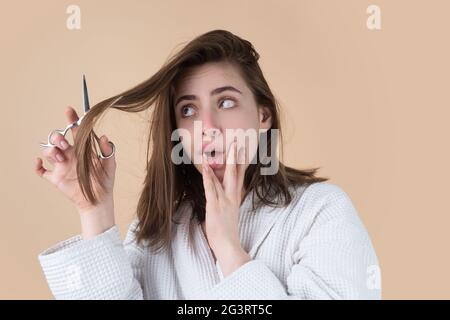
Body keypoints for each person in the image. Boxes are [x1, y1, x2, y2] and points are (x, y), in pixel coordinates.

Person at [34, 29, 381, 299]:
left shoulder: (321, 212)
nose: (208, 128)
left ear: (263, 116)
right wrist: (93, 208)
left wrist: (228, 249)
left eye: (226, 102)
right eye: (188, 110)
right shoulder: (156, 230)